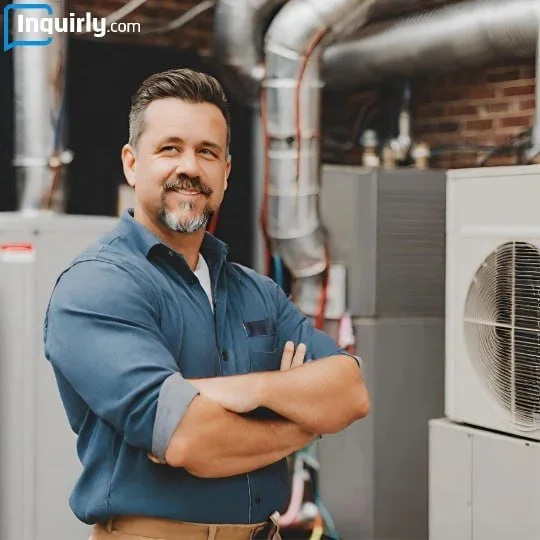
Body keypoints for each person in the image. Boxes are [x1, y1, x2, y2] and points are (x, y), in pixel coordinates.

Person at [43, 68, 370, 540]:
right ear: (132, 163)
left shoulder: (256, 291)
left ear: (226, 172)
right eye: (170, 148)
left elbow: (351, 392)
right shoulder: (97, 286)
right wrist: (302, 424)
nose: (190, 168)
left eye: (207, 152)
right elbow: (189, 440)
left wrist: (250, 391)